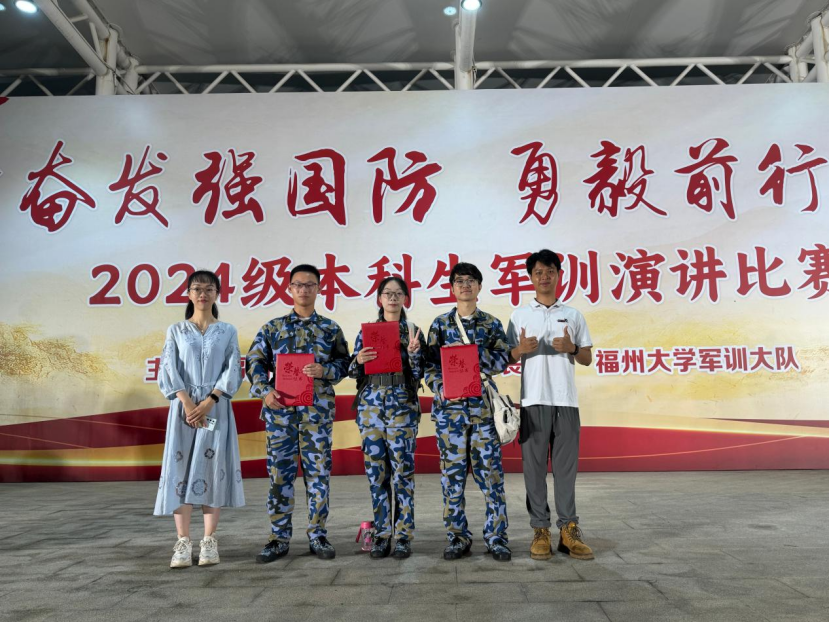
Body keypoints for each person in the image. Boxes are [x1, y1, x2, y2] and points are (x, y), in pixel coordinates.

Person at [246, 263, 350, 562]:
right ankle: (278, 538)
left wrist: (324, 370)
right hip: (281, 415)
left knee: (318, 475)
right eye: (298, 285)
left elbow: (345, 364)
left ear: (319, 289)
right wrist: (264, 391)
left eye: (310, 285)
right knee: (280, 475)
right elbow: (254, 362)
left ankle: (318, 535)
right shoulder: (273, 328)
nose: (304, 290)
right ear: (289, 289)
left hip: (316, 415)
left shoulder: (330, 329)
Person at [507, 249, 595, 561]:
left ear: (559, 275)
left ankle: (568, 530)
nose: (544, 277)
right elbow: (506, 357)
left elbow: (587, 357)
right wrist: (519, 349)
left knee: (565, 470)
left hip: (566, 402)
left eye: (550, 272)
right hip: (533, 400)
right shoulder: (519, 315)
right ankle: (540, 530)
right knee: (533, 470)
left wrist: (572, 348)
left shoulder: (573, 315)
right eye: (538, 272)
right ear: (530, 278)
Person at [155, 269, 244, 569]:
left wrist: (210, 401)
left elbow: (233, 368)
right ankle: (182, 541)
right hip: (183, 409)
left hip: (215, 407)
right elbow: (168, 367)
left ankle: (209, 540)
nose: (203, 294)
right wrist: (187, 401)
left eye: (209, 289)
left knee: (212, 468)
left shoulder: (228, 330)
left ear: (218, 294)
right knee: (179, 469)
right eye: (197, 288)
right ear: (188, 294)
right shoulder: (176, 330)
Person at [424, 262, 512, 562]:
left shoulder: (491, 324)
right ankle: (457, 537)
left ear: (479, 286)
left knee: (491, 477)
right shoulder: (440, 324)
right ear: (452, 288)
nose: (465, 285)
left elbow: (502, 360)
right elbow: (429, 366)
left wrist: (473, 355)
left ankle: (496, 538)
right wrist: (440, 387)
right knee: (452, 479)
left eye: (471, 280)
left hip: (483, 412)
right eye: (459, 281)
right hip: (450, 413)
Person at [350, 277, 427, 560]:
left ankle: (403, 536)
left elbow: (420, 374)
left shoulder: (414, 331)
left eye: (398, 293)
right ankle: (382, 535)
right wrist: (358, 361)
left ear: (406, 298)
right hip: (371, 410)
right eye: (387, 293)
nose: (392, 298)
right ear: (379, 299)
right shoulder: (367, 332)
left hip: (402, 409)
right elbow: (352, 371)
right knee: (377, 475)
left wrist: (414, 355)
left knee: (403, 475)